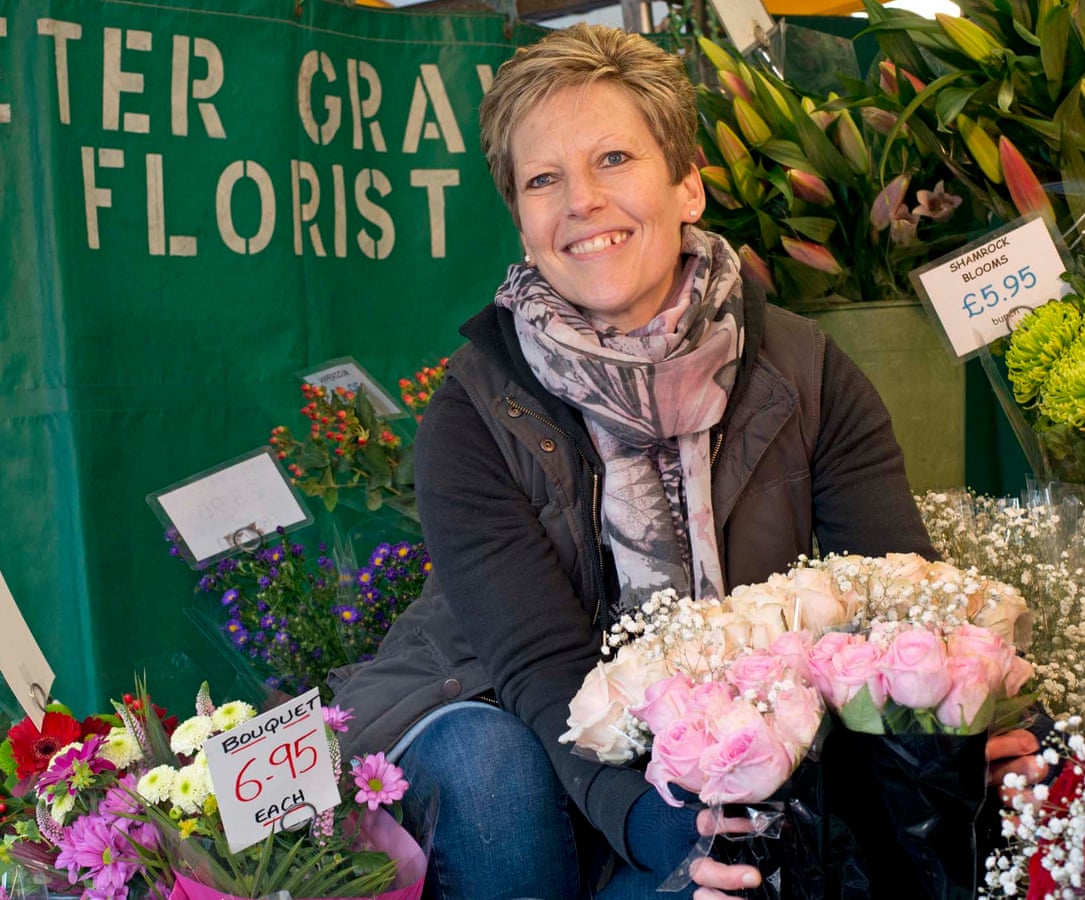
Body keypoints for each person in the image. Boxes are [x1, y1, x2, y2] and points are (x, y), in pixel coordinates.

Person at [329, 23, 1045, 900]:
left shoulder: (806, 375)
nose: (582, 201)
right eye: (544, 179)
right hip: (521, 732)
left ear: (689, 188)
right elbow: (541, 671)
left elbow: (901, 593)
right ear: (520, 217)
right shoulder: (476, 409)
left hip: (728, 747)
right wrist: (680, 835)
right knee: (491, 773)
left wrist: (977, 730)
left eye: (614, 159)